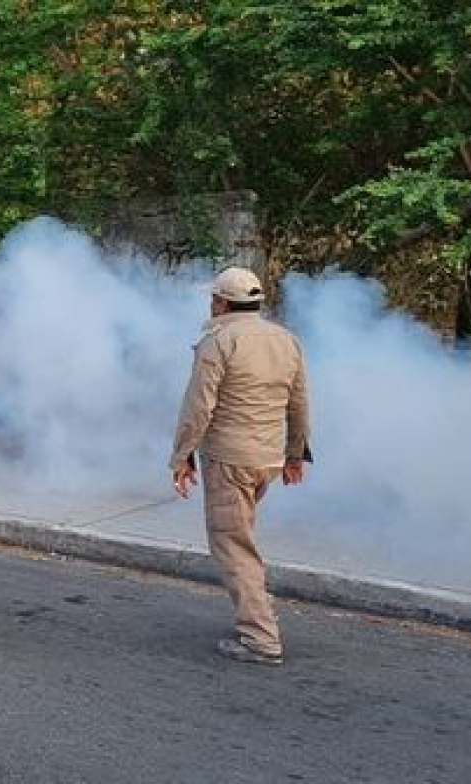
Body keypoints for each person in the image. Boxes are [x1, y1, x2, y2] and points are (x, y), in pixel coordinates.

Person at [170, 266, 311, 666]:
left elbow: (198, 409)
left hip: (230, 460)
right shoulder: (286, 339)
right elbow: (299, 404)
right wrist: (295, 455)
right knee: (242, 536)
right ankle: (258, 610)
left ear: (221, 301)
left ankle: (259, 636)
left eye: (212, 298)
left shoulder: (218, 341)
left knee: (233, 546)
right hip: (267, 459)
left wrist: (181, 457)